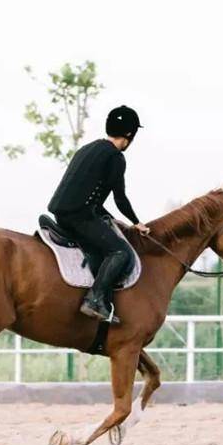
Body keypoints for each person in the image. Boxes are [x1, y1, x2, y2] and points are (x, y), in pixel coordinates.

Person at [47, 105, 150, 324]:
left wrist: (110, 218)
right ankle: (95, 299)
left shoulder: (88, 148)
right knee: (120, 252)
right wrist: (136, 222)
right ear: (130, 134)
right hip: (79, 216)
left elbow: (91, 195)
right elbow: (120, 198)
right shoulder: (115, 157)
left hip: (62, 213)